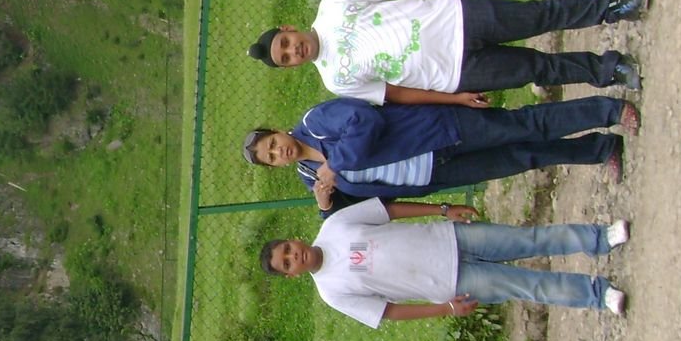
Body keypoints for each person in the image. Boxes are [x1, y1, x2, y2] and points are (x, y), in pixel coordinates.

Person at [246, 0, 650, 103]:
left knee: (539, 15)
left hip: (457, 18)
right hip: (454, 73)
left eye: (286, 43)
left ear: (289, 28)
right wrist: (452, 98)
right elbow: (397, 94)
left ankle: (613, 5)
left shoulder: (332, 5)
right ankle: (608, 70)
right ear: (291, 67)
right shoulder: (336, 80)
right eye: (287, 58)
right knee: (539, 69)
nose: (294, 51)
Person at [260, 198, 630, 326]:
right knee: (528, 285)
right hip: (451, 283)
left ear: (294, 239)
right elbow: (388, 312)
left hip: (451, 237)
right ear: (292, 275)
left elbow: (388, 211)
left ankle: (600, 237)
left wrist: (442, 209)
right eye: (287, 264)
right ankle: (598, 295)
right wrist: (445, 309)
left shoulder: (335, 225)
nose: (294, 257)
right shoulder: (332, 292)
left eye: (288, 250)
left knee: (530, 239)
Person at [242, 94, 639, 211]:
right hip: (434, 174)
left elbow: (365, 121)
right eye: (272, 157)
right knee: (522, 158)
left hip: (438, 132)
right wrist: (326, 205)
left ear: (277, 131)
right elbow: (358, 212)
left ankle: (609, 111)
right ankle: (600, 149)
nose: (279, 152)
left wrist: (336, 163)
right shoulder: (309, 177)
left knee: (524, 125)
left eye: (272, 144)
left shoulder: (315, 121)